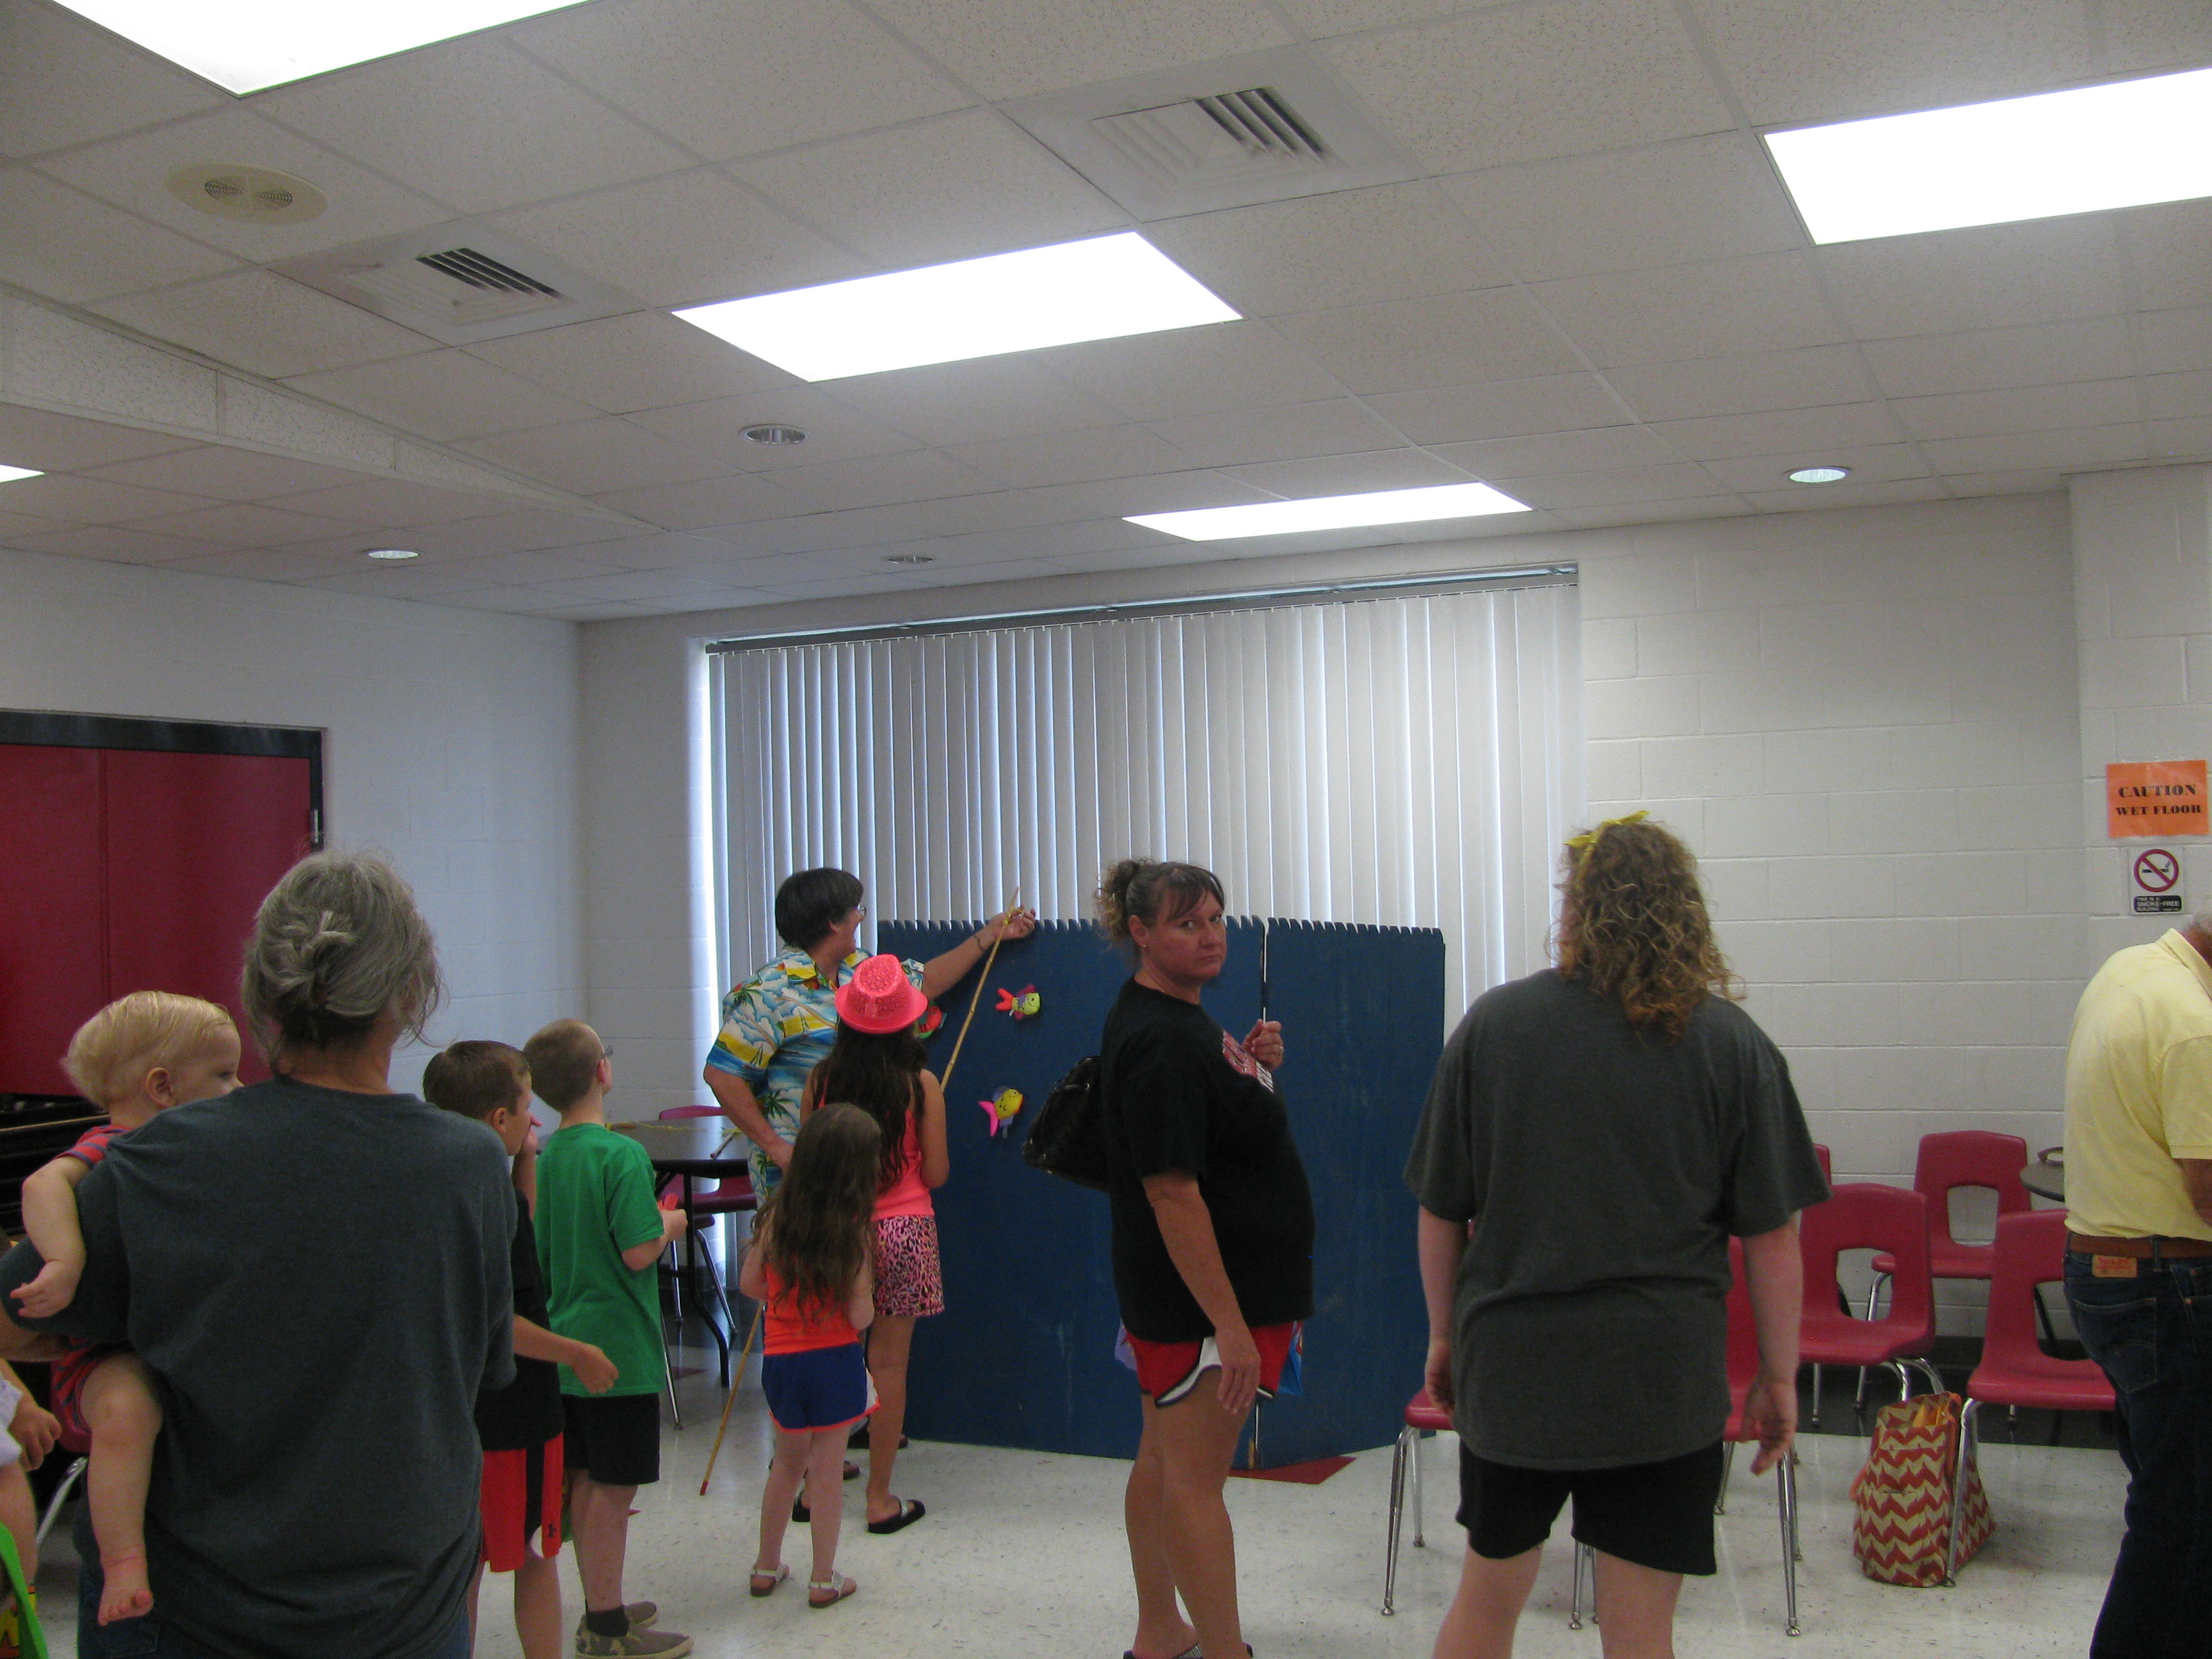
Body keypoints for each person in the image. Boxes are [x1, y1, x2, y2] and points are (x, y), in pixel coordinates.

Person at [0, 849, 518, 1659]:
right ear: (411, 992)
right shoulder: (470, 1163)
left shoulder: (158, 1158)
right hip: (403, 1604)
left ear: (261, 999)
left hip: (192, 1608)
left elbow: (13, 1318)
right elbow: (480, 1368)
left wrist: (110, 1364)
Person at [1405, 815, 1825, 1659]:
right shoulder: (1731, 1045)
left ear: (1578, 907)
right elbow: (1773, 1239)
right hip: (1659, 1381)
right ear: (1686, 911)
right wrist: (1779, 1375)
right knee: (1640, 1632)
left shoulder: (1495, 1027)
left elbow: (1441, 1210)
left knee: (1488, 1599)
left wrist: (1445, 1334)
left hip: (1518, 1367)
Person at [1094, 859, 1310, 1659]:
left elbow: (1211, 1137)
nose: (1211, 936)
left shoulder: (1178, 1019)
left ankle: (1160, 1627)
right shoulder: (1160, 1040)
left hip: (1194, 1298)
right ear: (1141, 933)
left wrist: (1252, 1068)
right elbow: (1173, 1195)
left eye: (1216, 918)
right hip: (1204, 1307)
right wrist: (1231, 1326)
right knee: (1194, 1485)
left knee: (1162, 1462)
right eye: (1187, 923)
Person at [10, 991, 241, 1625]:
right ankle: (123, 1560)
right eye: (224, 1075)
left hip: (179, 1346)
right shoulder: (113, 1147)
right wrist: (64, 1261)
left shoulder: (211, 1157)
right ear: (162, 1087)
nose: (239, 1090)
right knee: (127, 1412)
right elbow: (44, 1183)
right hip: (103, 1358)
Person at [422, 1041, 629, 1659]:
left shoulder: (450, 1191)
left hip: (457, 1411)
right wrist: (576, 1353)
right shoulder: (488, 1199)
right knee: (536, 1555)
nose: (534, 1119)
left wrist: (524, 1159)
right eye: (524, 1108)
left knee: (465, 1557)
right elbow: (498, 1320)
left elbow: (519, 1230)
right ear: (498, 1120)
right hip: (518, 1411)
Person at [2060, 904, 2212, 1659]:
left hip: (2106, 1275)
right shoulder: (2194, 1024)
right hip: (2171, 1285)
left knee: (2169, 1490)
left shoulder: (2128, 970)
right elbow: (2208, 1188)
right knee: (2184, 1514)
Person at [703, 866, 1035, 1199]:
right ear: (833, 922)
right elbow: (722, 1075)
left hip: (867, 1174)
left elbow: (924, 983)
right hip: (800, 1175)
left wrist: (989, 936)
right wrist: (776, 1147)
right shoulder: (768, 993)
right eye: (856, 909)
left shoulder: (860, 969)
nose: (860, 917)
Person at [526, 1020, 690, 1659]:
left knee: (588, 1480)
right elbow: (638, 1251)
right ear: (602, 1070)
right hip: (617, 1349)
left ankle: (605, 1605)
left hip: (564, 1341)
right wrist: (671, 1223)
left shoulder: (547, 1157)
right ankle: (606, 1626)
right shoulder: (621, 1155)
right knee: (615, 1490)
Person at [799, 953, 949, 1534]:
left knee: (831, 1355)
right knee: (889, 1365)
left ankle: (813, 1489)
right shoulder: (921, 1084)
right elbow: (935, 1173)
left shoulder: (821, 1081)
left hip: (836, 1228)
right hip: (905, 1229)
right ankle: (880, 1499)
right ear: (907, 1020)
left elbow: (813, 1163)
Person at [739, 1103, 882, 1610]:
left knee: (786, 1464)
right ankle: (824, 1578)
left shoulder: (777, 1218)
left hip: (781, 1362)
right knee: (826, 1469)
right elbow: (860, 1315)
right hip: (835, 1361)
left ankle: (765, 1566)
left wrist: (785, 1303)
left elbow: (749, 1283)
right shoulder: (855, 1231)